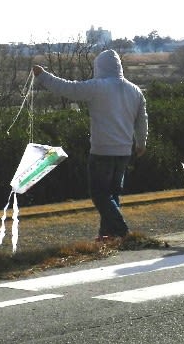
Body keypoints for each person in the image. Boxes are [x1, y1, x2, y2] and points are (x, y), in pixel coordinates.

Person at [32, 49, 148, 240]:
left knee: (99, 194)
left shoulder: (98, 87)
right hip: (124, 152)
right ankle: (107, 234)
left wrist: (43, 76)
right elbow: (141, 119)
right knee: (112, 194)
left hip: (102, 150)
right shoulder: (135, 90)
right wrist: (141, 142)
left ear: (99, 67)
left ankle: (122, 231)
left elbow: (68, 88)